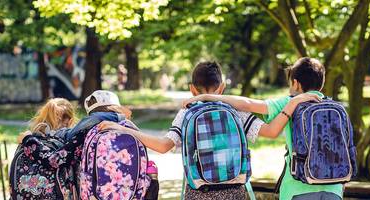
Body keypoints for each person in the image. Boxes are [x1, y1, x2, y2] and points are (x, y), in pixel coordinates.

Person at [98, 61, 320, 199]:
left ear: (192, 89)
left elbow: (164, 146)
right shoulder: (236, 111)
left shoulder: (187, 112)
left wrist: (126, 129)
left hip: (198, 192)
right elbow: (271, 132)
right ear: (222, 88)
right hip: (236, 191)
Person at [182, 57, 343, 200]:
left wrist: (208, 97)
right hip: (334, 186)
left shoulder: (290, 101)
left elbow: (248, 104)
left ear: (295, 83)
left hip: (298, 187)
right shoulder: (337, 108)